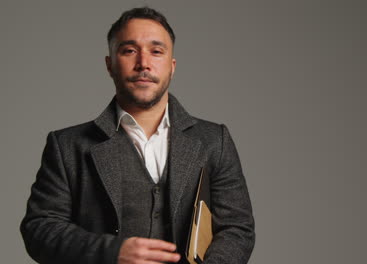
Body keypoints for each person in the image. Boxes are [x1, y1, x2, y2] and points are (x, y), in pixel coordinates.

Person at [20, 7, 255, 264]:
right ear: (110, 64)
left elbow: (237, 228)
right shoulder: (67, 146)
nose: (143, 63)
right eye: (129, 50)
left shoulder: (214, 140)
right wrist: (112, 252)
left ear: (171, 66)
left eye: (156, 51)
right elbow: (39, 228)